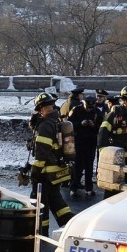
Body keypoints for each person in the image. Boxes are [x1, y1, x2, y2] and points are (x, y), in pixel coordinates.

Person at [28, 92, 73, 235]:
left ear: (41, 109)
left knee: (40, 202)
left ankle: (41, 232)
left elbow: (41, 153)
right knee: (56, 201)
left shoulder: (46, 124)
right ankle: (69, 226)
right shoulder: (56, 121)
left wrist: (35, 172)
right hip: (55, 171)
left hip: (45, 172)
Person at [67, 94, 103, 198]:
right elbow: (69, 123)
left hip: (91, 142)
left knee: (89, 166)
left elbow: (101, 128)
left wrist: (94, 125)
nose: (89, 110)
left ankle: (89, 188)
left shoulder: (97, 112)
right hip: (79, 142)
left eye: (91, 108)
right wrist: (80, 124)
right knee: (78, 165)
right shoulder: (76, 110)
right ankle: (74, 187)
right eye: (87, 107)